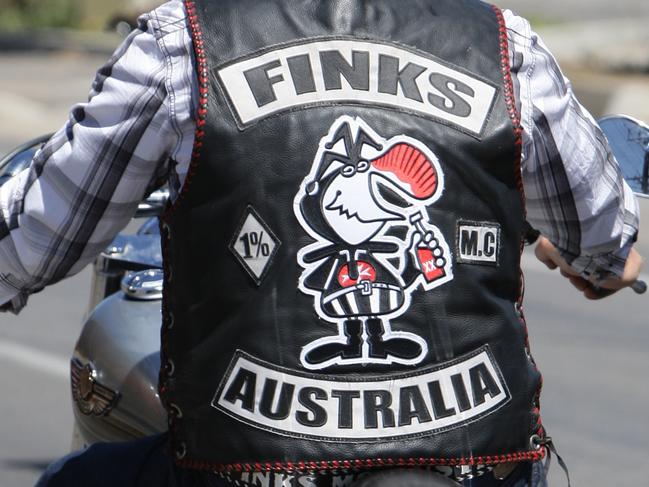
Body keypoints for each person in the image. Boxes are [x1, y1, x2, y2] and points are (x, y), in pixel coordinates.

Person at [0, 0, 642, 486]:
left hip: (243, 465)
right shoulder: (504, 46)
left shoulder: (181, 44)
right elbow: (607, 240)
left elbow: (32, 239)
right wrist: (595, 258)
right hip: (477, 464)